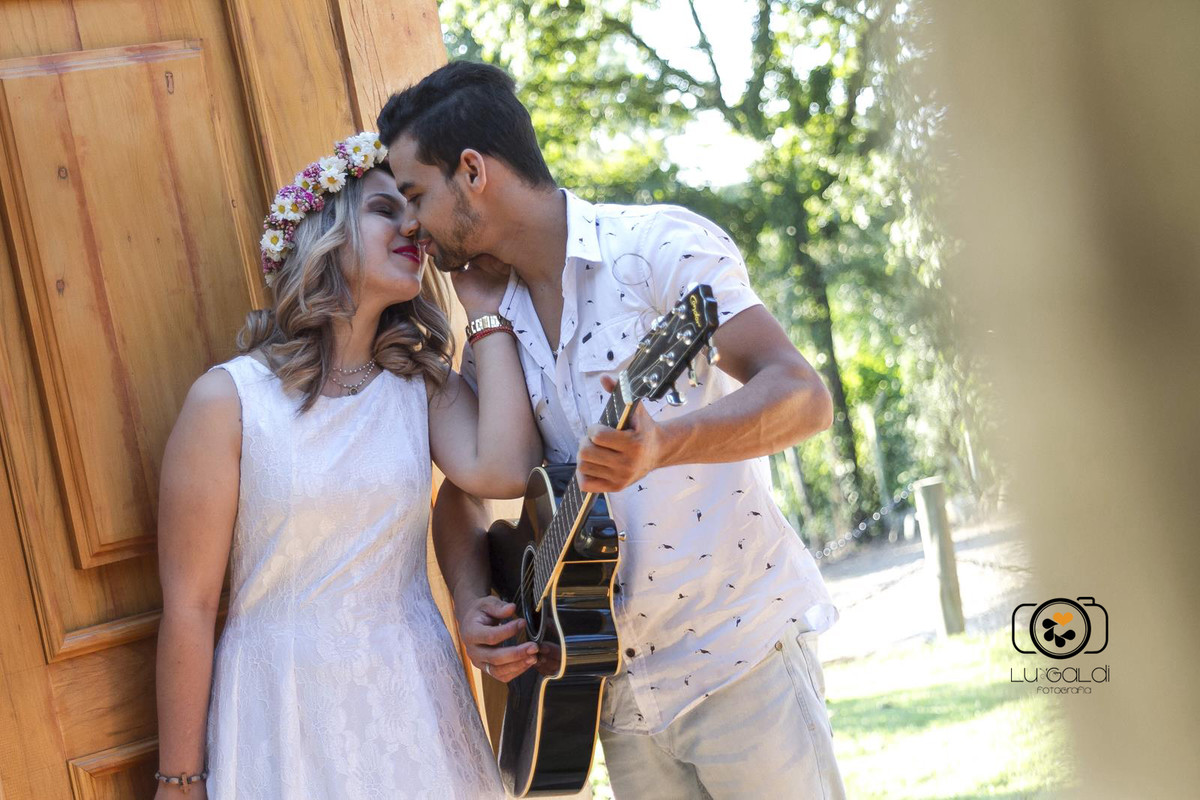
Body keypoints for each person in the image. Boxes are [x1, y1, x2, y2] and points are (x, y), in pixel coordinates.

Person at [379, 63, 848, 799]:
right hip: (616, 703)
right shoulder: (498, 324)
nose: (410, 225)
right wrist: (474, 603)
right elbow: (463, 499)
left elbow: (801, 396)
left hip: (739, 659)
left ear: (472, 171)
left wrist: (666, 444)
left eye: (414, 196)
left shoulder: (656, 248)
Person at [152, 131, 541, 799]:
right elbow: (189, 605)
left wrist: (485, 313)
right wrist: (179, 780)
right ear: (325, 235)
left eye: (412, 212)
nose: (412, 227)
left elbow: (506, 471)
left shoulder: (421, 387)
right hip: (282, 704)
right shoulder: (229, 400)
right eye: (385, 210)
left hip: (414, 695)